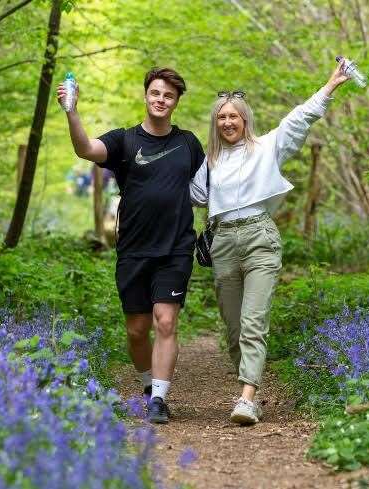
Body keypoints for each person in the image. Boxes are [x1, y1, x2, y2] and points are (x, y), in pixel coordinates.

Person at [190, 59, 350, 425]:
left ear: (245, 119)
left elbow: (299, 119)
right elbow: (187, 194)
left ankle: (247, 397)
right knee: (233, 329)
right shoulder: (209, 161)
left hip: (260, 236)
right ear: (215, 123)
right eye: (221, 118)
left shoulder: (266, 147)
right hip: (223, 243)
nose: (228, 122)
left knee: (253, 321)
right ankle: (248, 390)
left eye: (234, 116)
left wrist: (330, 85)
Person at [57, 67, 205, 424]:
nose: (161, 100)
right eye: (156, 93)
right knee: (137, 330)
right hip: (134, 249)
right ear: (146, 96)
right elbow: (85, 149)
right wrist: (71, 111)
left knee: (165, 321)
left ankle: (158, 398)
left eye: (168, 96)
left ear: (176, 102)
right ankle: (146, 385)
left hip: (175, 247)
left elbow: (211, 188)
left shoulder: (188, 144)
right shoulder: (124, 140)